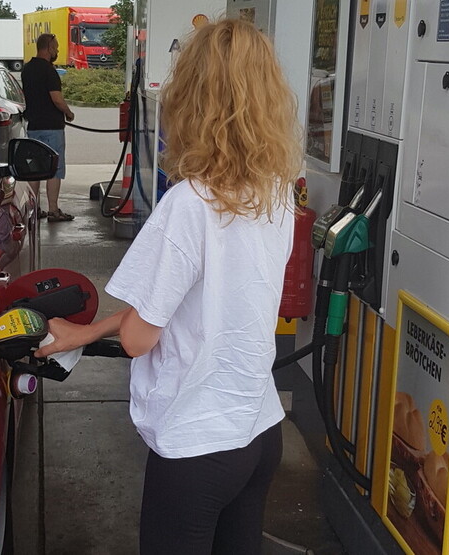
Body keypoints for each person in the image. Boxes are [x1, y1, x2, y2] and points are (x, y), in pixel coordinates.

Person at [35, 19, 302, 554]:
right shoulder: (276, 194)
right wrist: (86, 334)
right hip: (258, 430)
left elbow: (139, 338)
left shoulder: (188, 205)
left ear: (193, 99)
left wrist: (86, 330)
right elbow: (188, 309)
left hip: (198, 447)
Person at [21, 33, 75, 222]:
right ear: (48, 48)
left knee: (35, 169)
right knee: (54, 169)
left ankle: (34, 209)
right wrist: (68, 113)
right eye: (56, 47)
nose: (57, 51)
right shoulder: (49, 71)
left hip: (33, 126)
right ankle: (53, 210)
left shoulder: (27, 69)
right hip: (52, 127)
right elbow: (56, 98)